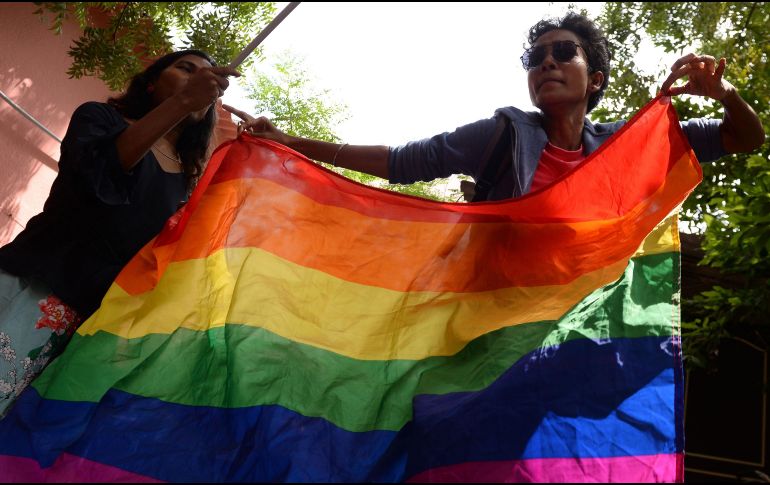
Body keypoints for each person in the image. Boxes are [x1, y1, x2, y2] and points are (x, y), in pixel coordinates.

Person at [223, 12, 764, 202]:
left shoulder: (628, 145)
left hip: (580, 326)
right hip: (490, 312)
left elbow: (746, 138)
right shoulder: (503, 134)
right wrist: (291, 144)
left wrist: (725, 95)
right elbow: (403, 162)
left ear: (594, 78)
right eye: (535, 57)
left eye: (561, 52)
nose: (545, 63)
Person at [0, 49, 240, 415]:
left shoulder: (187, 186)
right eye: (185, 70)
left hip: (82, 327)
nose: (197, 82)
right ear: (150, 83)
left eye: (206, 83)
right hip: (29, 283)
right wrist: (182, 102)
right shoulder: (101, 119)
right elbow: (99, 180)